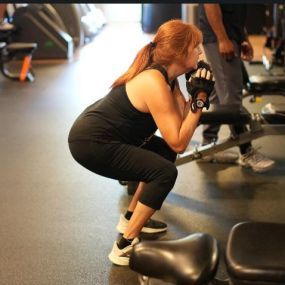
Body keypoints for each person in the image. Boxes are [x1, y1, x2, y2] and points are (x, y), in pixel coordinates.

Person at [68, 19, 215, 266]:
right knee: (164, 173)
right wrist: (200, 99)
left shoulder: (168, 78)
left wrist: (192, 93)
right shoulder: (154, 82)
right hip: (92, 143)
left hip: (106, 137)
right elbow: (181, 142)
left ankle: (131, 218)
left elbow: (179, 128)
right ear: (180, 53)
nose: (200, 52)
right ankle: (124, 246)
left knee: (163, 150)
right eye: (196, 47)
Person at [198, 4, 275, 172]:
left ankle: (207, 147)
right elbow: (211, 4)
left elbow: (236, 11)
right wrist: (223, 39)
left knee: (219, 94)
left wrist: (242, 37)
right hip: (220, 35)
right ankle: (246, 151)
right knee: (231, 99)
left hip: (229, 34)